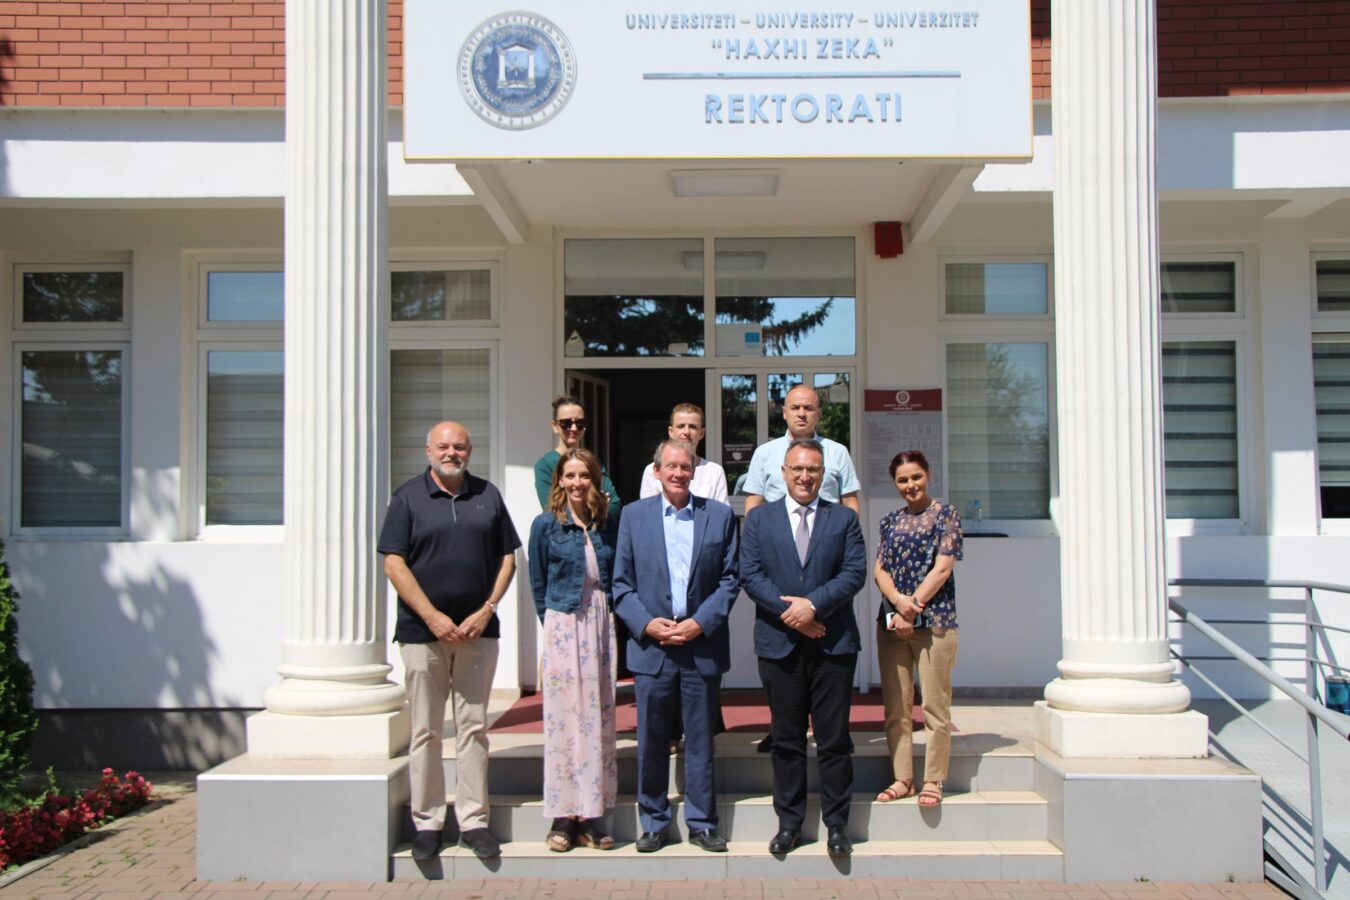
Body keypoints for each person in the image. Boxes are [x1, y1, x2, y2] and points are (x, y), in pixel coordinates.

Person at [378, 421, 521, 861]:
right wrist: (432, 616)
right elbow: (394, 564)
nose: (452, 452)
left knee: (474, 729)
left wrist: (488, 608)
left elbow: (508, 557)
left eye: (459, 446)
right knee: (425, 730)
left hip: (479, 633)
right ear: (428, 450)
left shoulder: (488, 495)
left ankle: (474, 821)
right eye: (444, 446)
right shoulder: (407, 498)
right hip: (424, 636)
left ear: (470, 450)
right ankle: (428, 822)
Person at [740, 438, 867, 857]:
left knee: (833, 741)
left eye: (813, 470)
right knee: (788, 740)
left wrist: (814, 607)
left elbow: (854, 574)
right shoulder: (759, 520)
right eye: (797, 469)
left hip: (833, 648)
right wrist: (790, 614)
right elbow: (750, 574)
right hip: (780, 647)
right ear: (783, 473)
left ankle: (836, 825)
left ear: (824, 474)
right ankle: (789, 824)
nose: (805, 477)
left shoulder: (843, 519)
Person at [612, 440, 740, 854]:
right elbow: (621, 584)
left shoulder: (718, 516)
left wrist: (699, 624)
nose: (679, 474)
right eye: (671, 466)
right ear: (657, 471)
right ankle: (653, 822)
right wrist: (649, 625)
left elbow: (729, 579)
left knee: (700, 740)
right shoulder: (633, 517)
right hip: (654, 648)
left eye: (686, 467)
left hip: (700, 646)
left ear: (694, 472)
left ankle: (702, 823)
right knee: (651, 741)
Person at [527, 448, 620, 852]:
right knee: (564, 721)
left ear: (595, 481)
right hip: (564, 623)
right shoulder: (545, 526)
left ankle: (593, 814)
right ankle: (564, 816)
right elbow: (537, 582)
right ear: (559, 481)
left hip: (601, 621)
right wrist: (553, 628)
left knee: (598, 718)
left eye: (585, 476)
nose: (578, 483)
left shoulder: (607, 523)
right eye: (571, 476)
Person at [873, 449, 963, 809]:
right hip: (893, 622)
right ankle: (902, 778)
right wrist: (898, 602)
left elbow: (942, 569)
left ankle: (934, 779)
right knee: (896, 706)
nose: (910, 485)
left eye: (916, 477)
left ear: (927, 474)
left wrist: (913, 607)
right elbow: (879, 569)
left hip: (935, 621)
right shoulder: (889, 521)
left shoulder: (946, 516)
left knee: (935, 708)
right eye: (902, 480)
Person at [741, 384, 861, 515]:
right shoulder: (764, 453)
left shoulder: (838, 452)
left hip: (827, 531)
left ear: (819, 414)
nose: (801, 414)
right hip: (777, 532)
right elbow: (753, 502)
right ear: (785, 413)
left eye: (808, 408)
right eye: (795, 408)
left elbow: (850, 501)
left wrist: (850, 533)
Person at [535, 395, 621, 519]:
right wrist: (597, 503)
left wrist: (575, 504)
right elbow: (553, 510)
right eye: (566, 423)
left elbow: (615, 506)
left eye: (580, 423)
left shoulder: (594, 462)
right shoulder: (545, 465)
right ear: (554, 426)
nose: (574, 428)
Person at [639, 403, 729, 503]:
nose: (686, 432)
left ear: (701, 433)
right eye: (681, 426)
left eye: (692, 427)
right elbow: (647, 513)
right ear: (671, 432)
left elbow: (721, 515)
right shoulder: (653, 470)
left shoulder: (714, 472)